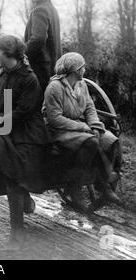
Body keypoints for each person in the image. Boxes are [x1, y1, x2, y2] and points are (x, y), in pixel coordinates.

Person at [0, 35, 51, 244]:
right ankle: (23, 198)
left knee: (14, 178)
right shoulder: (2, 77)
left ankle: (17, 235)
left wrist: (0, 119)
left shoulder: (29, 79)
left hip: (27, 132)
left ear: (9, 54)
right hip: (6, 128)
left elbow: (25, 111)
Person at [43, 52, 122, 211]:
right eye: (82, 67)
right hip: (57, 130)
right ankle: (75, 187)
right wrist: (84, 127)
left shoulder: (81, 85)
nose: (84, 70)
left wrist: (94, 125)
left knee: (111, 140)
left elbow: (89, 108)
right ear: (76, 70)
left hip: (80, 126)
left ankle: (103, 185)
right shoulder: (55, 87)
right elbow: (55, 119)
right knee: (90, 141)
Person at [23, 0, 61, 92]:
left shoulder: (40, 10)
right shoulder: (51, 9)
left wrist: (21, 54)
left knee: (37, 104)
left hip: (40, 68)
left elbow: (38, 39)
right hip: (53, 66)